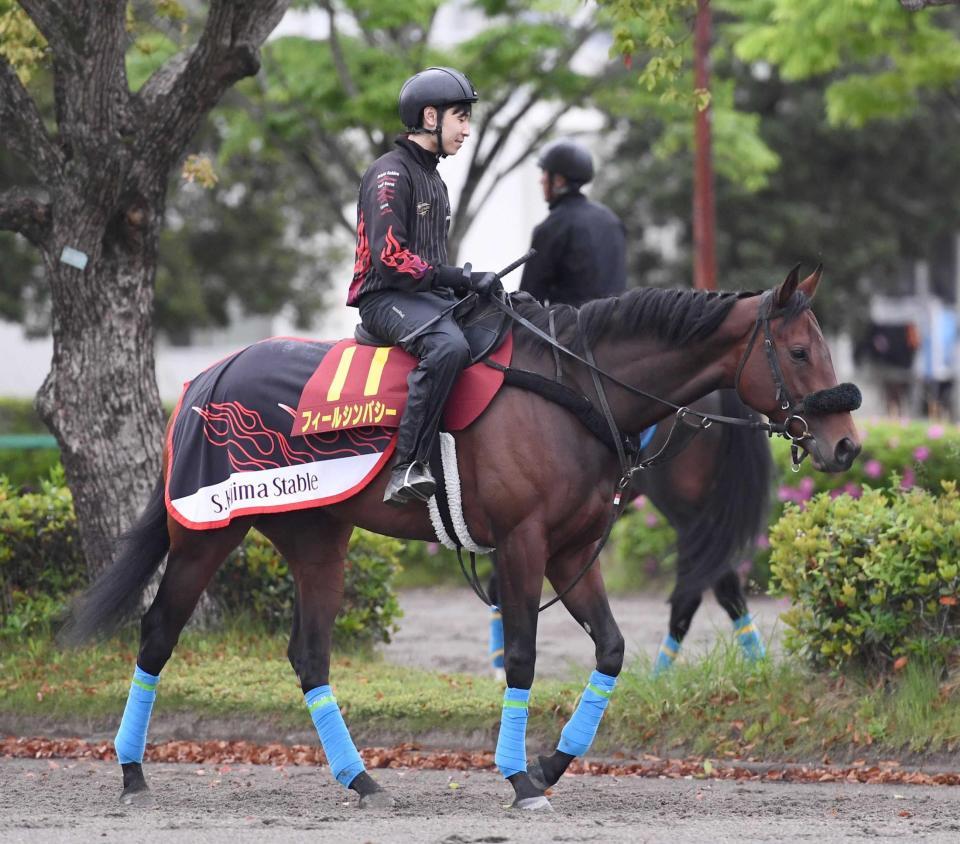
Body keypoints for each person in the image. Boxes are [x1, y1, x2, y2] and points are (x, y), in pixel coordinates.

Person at [349, 67, 499, 506]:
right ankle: (407, 467)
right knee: (448, 347)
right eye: (461, 117)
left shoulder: (434, 176)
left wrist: (475, 289)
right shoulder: (390, 174)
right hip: (384, 298)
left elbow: (433, 265)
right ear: (430, 117)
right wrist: (461, 278)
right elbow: (392, 261)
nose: (467, 130)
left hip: (424, 297)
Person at [519, 139, 627, 306]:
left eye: (545, 173)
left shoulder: (551, 227)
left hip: (570, 328)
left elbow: (528, 299)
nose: (541, 180)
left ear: (559, 180)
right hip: (616, 326)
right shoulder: (611, 220)